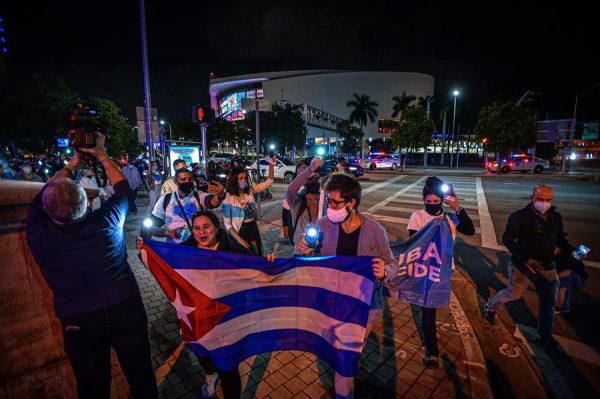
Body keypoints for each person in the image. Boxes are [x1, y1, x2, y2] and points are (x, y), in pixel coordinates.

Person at [26, 133, 158, 399]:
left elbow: (41, 199)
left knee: (92, 387)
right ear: (87, 203)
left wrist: (72, 164)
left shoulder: (40, 234)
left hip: (79, 320)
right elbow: (122, 190)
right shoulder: (106, 223)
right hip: (124, 308)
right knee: (141, 376)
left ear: (48, 211)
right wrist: (101, 154)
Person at [138, 209, 276, 398]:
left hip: (227, 319)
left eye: (206, 227)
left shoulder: (232, 250)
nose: (201, 233)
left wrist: (268, 262)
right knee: (202, 353)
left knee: (228, 366)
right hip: (198, 318)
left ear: (216, 227)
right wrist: (145, 251)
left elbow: (255, 268)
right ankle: (210, 374)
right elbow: (162, 262)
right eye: (196, 228)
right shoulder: (187, 250)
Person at [296, 172, 397, 399]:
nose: (330, 206)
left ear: (352, 203)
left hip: (366, 305)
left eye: (335, 202)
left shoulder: (374, 231)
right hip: (334, 302)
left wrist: (385, 271)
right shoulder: (322, 225)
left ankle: (346, 383)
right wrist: (304, 250)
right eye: (329, 201)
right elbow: (311, 262)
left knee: (348, 352)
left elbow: (392, 264)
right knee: (344, 352)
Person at [484, 184, 575, 355]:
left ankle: (544, 337)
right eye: (540, 199)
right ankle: (490, 306)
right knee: (513, 294)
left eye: (548, 200)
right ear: (531, 198)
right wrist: (525, 259)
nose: (544, 203)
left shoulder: (556, 217)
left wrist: (569, 251)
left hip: (547, 268)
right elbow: (508, 239)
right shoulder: (519, 217)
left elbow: (560, 238)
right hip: (522, 267)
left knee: (548, 303)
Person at [407, 177, 475, 366]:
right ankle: (432, 351)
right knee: (428, 310)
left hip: (445, 271)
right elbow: (413, 245)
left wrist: (457, 208)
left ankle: (431, 348)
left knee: (436, 306)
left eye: (435, 202)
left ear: (442, 200)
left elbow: (470, 230)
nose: (431, 205)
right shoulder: (417, 217)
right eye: (427, 202)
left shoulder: (450, 218)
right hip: (425, 271)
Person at [149, 168, 225, 244]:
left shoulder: (198, 196)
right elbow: (153, 227)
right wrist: (167, 232)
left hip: (197, 245)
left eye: (190, 179)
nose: (187, 181)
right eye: (183, 179)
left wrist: (220, 196)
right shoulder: (165, 200)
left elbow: (212, 202)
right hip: (175, 247)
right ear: (176, 182)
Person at [222, 158, 275, 256]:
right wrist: (240, 240)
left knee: (256, 256)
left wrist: (271, 164)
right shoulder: (228, 199)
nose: (244, 181)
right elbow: (228, 225)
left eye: (245, 178)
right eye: (241, 178)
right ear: (234, 180)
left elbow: (269, 182)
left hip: (253, 228)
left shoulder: (249, 191)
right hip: (239, 232)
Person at [284, 157, 324, 246]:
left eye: (316, 178)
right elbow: (290, 190)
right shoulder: (297, 203)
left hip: (320, 251)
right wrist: (310, 169)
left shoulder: (324, 201)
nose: (314, 181)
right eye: (311, 179)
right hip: (300, 250)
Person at [554, 249, 589, 314]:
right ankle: (562, 305)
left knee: (564, 279)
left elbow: (568, 271)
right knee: (564, 279)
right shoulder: (559, 256)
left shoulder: (568, 255)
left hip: (579, 278)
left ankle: (562, 306)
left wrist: (554, 277)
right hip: (570, 272)